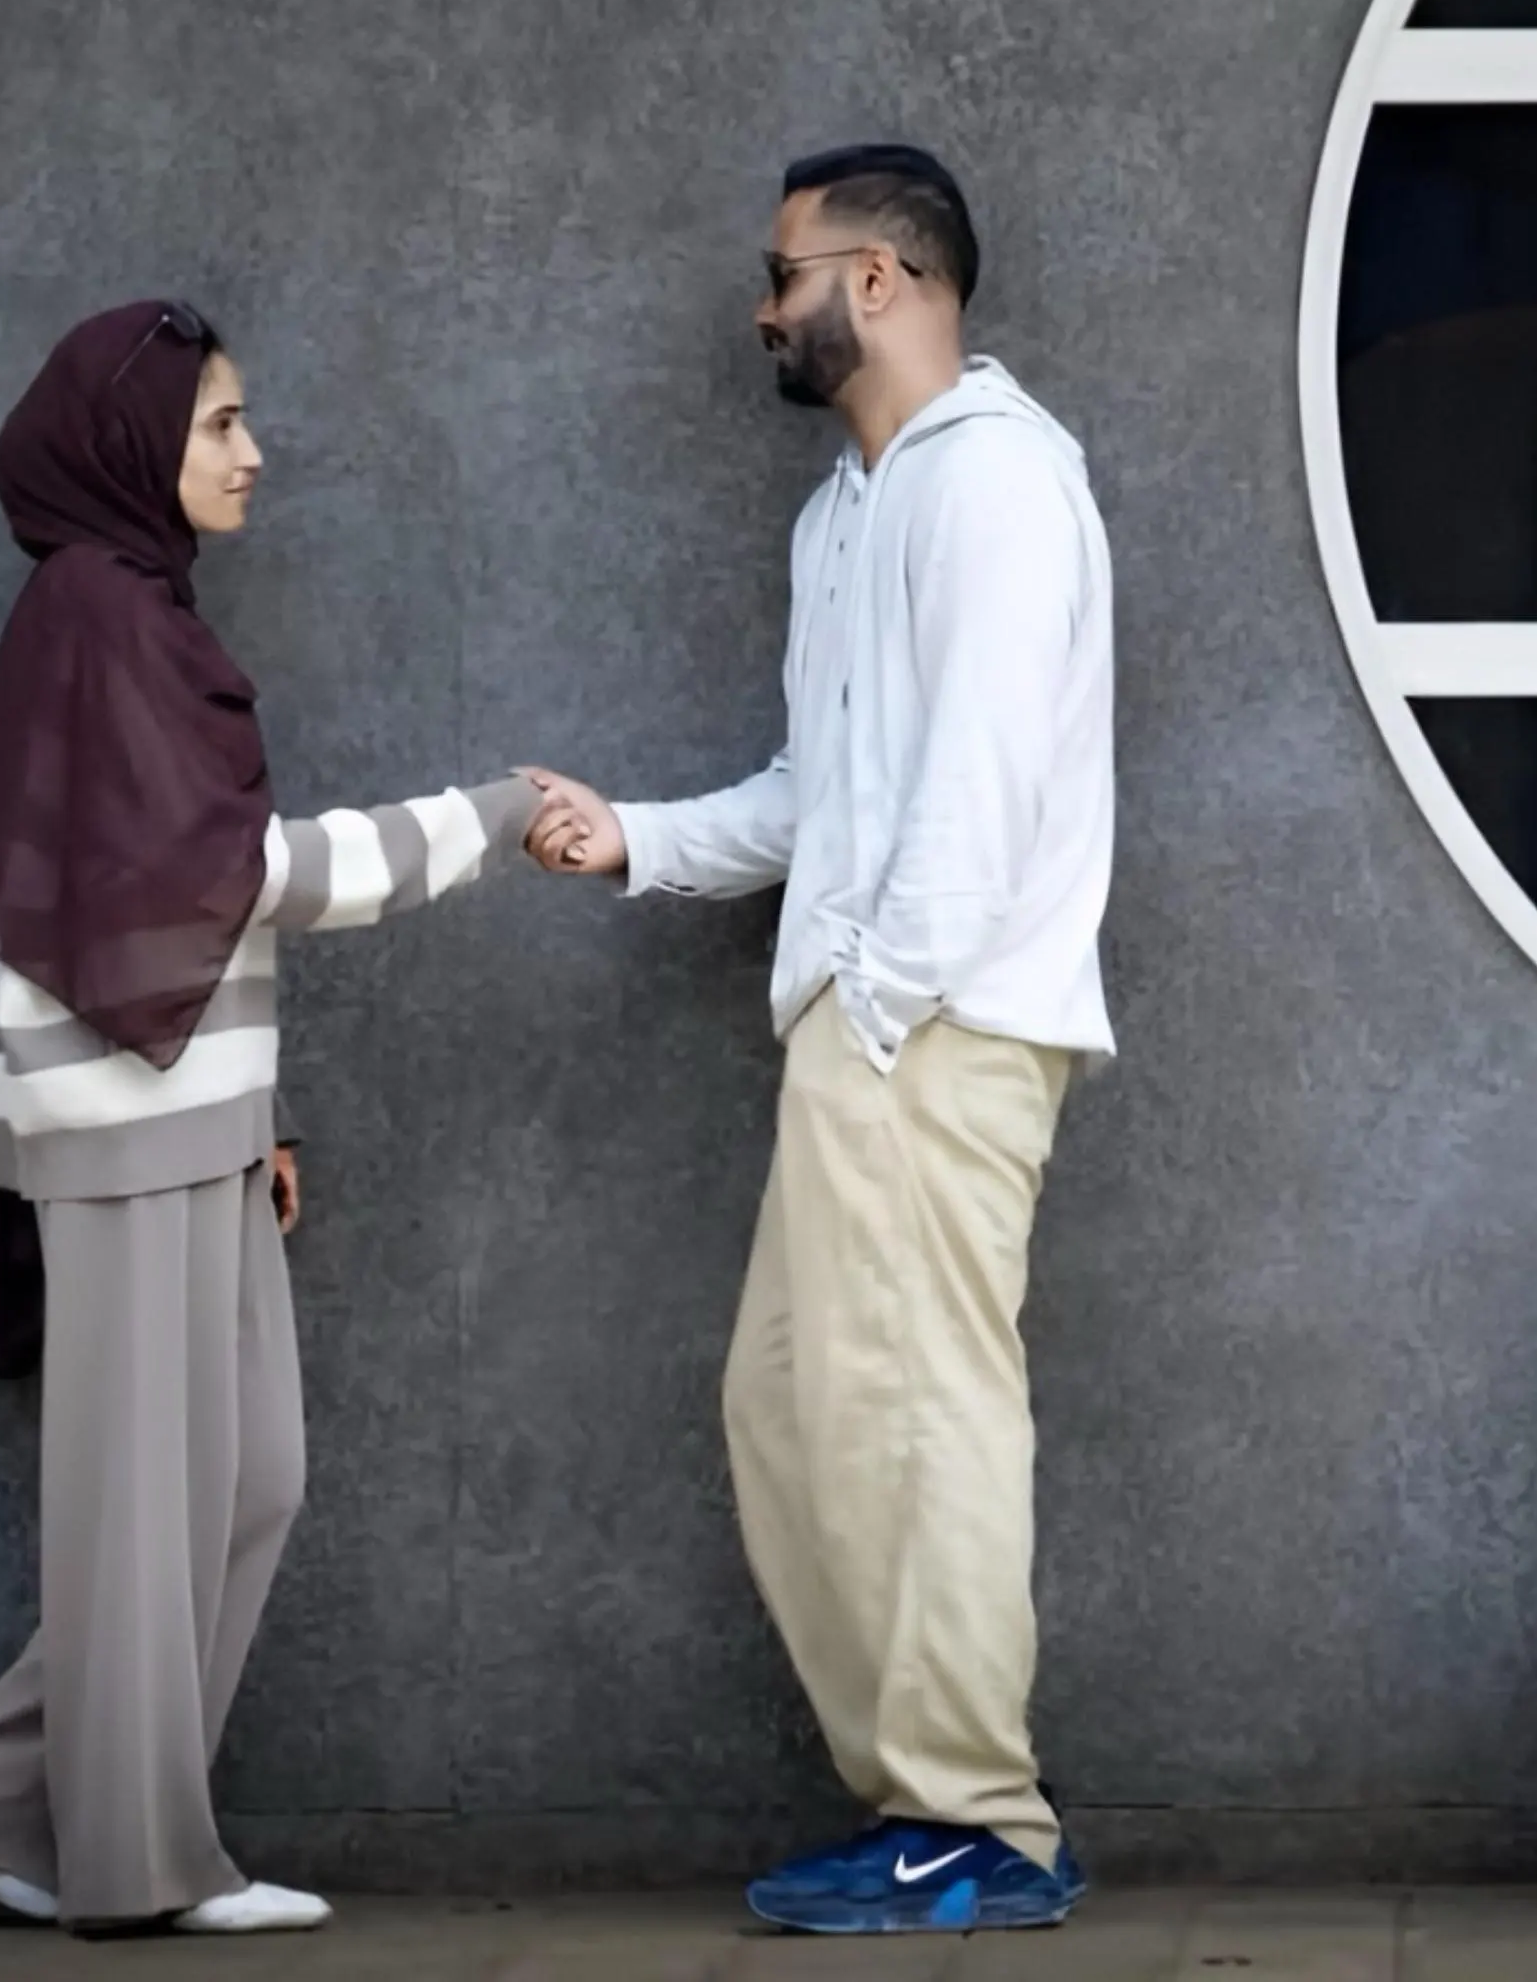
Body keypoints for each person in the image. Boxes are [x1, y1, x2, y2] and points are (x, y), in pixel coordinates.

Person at [0, 299, 546, 1938]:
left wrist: (266, 1114)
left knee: (244, 1481)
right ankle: (137, 1867)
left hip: (194, 1121)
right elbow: (224, 881)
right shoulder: (99, 615)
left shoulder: (127, 615)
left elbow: (165, 916)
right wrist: (488, 818)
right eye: (220, 425)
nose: (254, 454)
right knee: (146, 1511)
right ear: (135, 446)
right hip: (122, 1137)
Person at [525, 145, 1116, 1939]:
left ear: (879, 281)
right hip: (864, 1032)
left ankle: (979, 1822)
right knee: (796, 1414)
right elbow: (825, 791)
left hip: (931, 1034)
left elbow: (981, 791)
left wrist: (874, 1010)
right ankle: (922, 1806)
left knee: (921, 1421)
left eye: (782, 274)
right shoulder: (845, 513)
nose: (761, 309)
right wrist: (636, 837)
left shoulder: (998, 484)